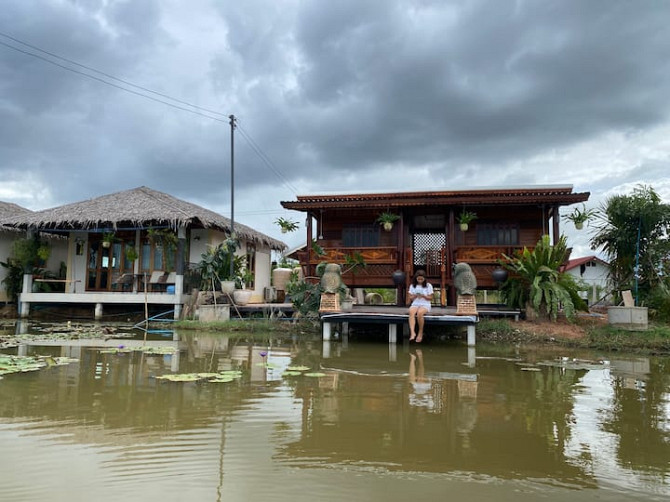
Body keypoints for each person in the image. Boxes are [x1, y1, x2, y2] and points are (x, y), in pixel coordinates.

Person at [408, 269, 433, 343]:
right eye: (418, 279)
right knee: (411, 312)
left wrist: (423, 296)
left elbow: (430, 298)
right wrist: (415, 295)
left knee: (419, 313)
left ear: (424, 279)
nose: (420, 280)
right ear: (416, 278)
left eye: (421, 279)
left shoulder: (428, 286)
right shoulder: (412, 286)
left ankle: (420, 332)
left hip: (425, 304)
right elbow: (410, 298)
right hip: (415, 303)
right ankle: (412, 332)